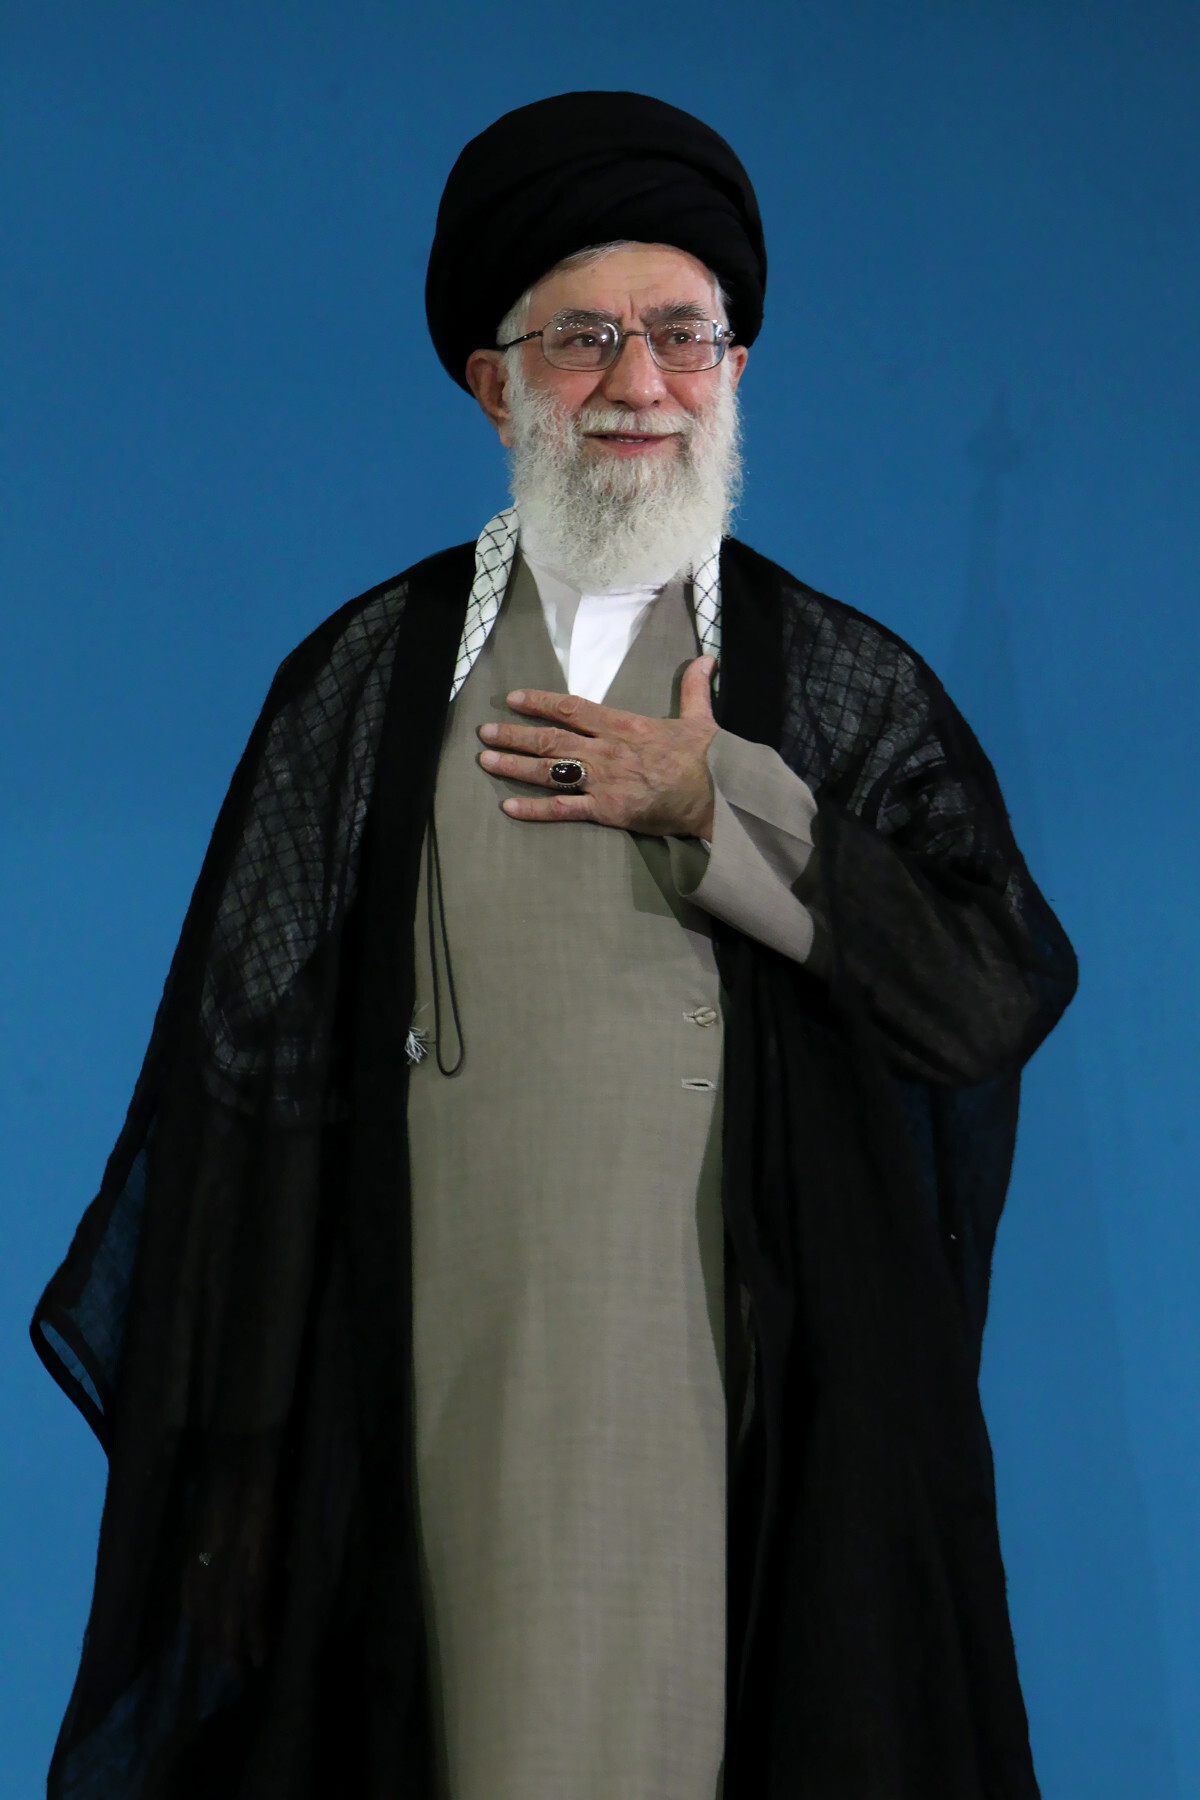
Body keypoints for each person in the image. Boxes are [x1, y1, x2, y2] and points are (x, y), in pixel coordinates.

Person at [32, 91, 1076, 1800]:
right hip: (434, 1396)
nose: (638, 383)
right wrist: (245, 1464)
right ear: (493, 382)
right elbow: (237, 1088)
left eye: (682, 335)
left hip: (738, 1402)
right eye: (582, 339)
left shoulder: (838, 684)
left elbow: (991, 987)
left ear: (736, 366)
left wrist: (718, 795)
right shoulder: (365, 682)